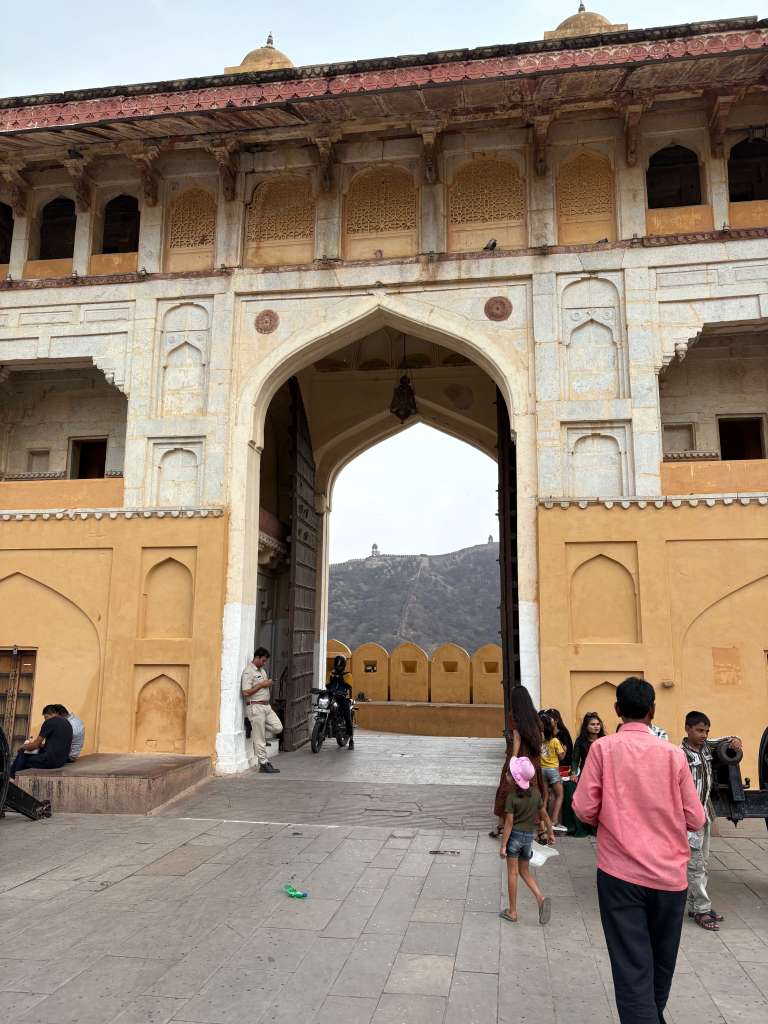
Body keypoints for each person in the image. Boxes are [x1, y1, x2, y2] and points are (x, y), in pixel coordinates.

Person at [573, 677, 706, 1024]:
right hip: (669, 878)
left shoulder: (603, 750)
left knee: (631, 965)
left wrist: (609, 816)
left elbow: (583, 809)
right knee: (661, 962)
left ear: (617, 710)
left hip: (620, 876)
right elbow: (696, 818)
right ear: (653, 711)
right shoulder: (673, 755)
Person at [681, 710, 742, 932]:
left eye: (706, 731)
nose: (704, 735)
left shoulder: (707, 747)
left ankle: (694, 905)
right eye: (699, 730)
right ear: (687, 729)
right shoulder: (680, 755)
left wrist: (735, 740)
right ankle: (702, 910)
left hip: (705, 813)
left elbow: (727, 741)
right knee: (696, 864)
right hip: (689, 818)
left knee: (703, 863)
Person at [499, 755, 553, 925]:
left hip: (514, 837)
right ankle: (540, 898)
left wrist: (503, 845)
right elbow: (545, 815)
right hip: (528, 838)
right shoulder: (536, 794)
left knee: (512, 873)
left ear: (515, 779)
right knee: (524, 871)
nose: (506, 775)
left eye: (509, 773)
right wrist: (550, 833)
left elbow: (508, 824)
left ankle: (512, 911)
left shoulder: (512, 797)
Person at [491, 685, 543, 838]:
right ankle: (541, 829)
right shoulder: (534, 715)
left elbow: (517, 738)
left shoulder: (514, 715)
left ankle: (501, 826)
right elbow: (541, 736)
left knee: (506, 787)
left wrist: (513, 759)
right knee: (534, 789)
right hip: (533, 758)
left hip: (519, 756)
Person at [241, 647, 283, 774]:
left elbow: (263, 686)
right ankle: (264, 763)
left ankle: (252, 724)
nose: (264, 663)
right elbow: (245, 692)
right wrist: (261, 685)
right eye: (263, 660)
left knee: (278, 727)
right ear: (257, 657)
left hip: (266, 706)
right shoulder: (248, 672)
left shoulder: (262, 671)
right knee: (260, 738)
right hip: (256, 707)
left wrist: (268, 684)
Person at [9, 705, 73, 777]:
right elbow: (56, 744)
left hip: (50, 762)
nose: (45, 720)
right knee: (27, 754)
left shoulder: (50, 722)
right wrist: (40, 745)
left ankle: (12, 777)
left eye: (45, 717)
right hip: (61, 761)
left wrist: (23, 746)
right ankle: (12, 776)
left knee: (22, 754)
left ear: (49, 714)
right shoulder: (67, 723)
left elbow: (34, 745)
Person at [539, 712, 567, 832]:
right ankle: (554, 821)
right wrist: (564, 749)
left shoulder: (539, 741)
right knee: (559, 795)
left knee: (545, 796)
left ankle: (542, 822)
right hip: (553, 770)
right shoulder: (555, 741)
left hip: (542, 770)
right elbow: (561, 757)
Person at [326, 654, 355, 750]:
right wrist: (331, 681)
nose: (338, 667)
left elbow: (348, 686)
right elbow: (327, 685)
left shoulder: (348, 675)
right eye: (337, 665)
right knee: (324, 708)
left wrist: (341, 679)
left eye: (340, 665)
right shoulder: (332, 674)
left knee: (347, 718)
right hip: (332, 697)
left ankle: (351, 740)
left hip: (343, 698)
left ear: (343, 665)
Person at [570, 712, 605, 779]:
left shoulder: (604, 739)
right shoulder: (580, 740)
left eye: (598, 724)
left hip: (602, 773)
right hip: (586, 772)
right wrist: (573, 773)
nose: (596, 726)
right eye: (592, 724)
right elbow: (575, 759)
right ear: (586, 726)